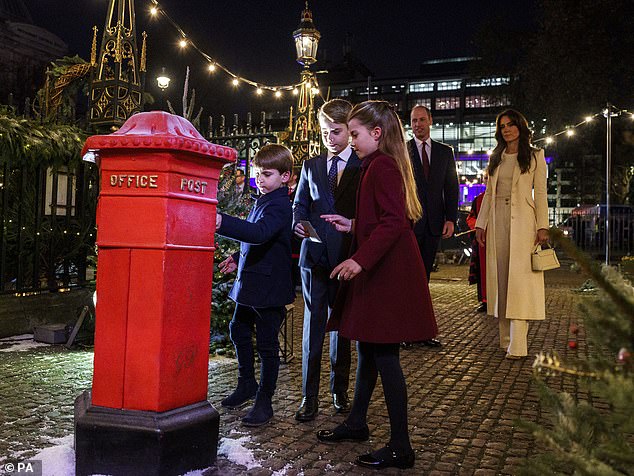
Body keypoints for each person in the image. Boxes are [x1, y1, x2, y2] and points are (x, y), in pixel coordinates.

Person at [317, 100, 436, 470]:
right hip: (383, 270)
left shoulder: (381, 165)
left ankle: (402, 446)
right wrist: (352, 225)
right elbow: (383, 219)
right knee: (370, 351)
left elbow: (393, 223)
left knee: (385, 357)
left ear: (377, 133)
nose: (350, 140)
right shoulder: (379, 164)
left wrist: (358, 259)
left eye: (354, 133)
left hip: (385, 273)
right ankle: (357, 422)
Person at [215, 144, 295, 426]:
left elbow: (261, 233)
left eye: (268, 174)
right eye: (257, 173)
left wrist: (221, 221)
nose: (260, 179)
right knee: (237, 328)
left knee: (267, 345)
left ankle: (265, 400)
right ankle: (246, 383)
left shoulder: (281, 205)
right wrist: (238, 256)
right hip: (252, 281)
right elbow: (262, 239)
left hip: (269, 287)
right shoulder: (264, 199)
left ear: (285, 176)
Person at [292, 98, 361, 421]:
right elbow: (300, 206)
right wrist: (300, 225)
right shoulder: (311, 166)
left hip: (347, 258)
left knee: (342, 328)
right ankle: (309, 397)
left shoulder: (364, 167)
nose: (329, 139)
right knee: (312, 328)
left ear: (350, 130)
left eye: (335, 132)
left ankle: (339, 391)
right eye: (323, 133)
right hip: (314, 258)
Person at [475, 109, 549, 359]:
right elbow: (488, 193)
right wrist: (480, 224)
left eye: (510, 124)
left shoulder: (536, 156)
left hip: (525, 224)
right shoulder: (496, 157)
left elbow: (540, 194)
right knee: (501, 278)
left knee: (520, 281)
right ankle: (505, 339)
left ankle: (518, 345)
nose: (506, 129)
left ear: (520, 126)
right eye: (502, 126)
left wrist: (543, 226)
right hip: (498, 221)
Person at [406, 105, 459, 347]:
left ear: (430, 121)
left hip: (434, 225)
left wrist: (451, 218)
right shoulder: (403, 151)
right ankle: (404, 332)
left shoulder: (444, 152)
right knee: (407, 278)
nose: (417, 124)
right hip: (408, 224)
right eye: (413, 120)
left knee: (424, 280)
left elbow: (451, 187)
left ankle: (422, 332)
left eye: (421, 120)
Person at [467, 181, 487, 312]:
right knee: (483, 271)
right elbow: (471, 218)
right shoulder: (479, 199)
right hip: (483, 242)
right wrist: (479, 226)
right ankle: (485, 300)